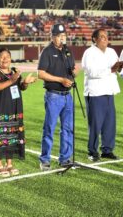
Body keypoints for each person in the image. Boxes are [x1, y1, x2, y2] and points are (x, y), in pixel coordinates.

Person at [0, 47, 36, 177]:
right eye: (1, 56)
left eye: (7, 56)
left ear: (11, 59)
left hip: (13, 109)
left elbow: (20, 87)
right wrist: (12, 80)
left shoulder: (14, 72)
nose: (4, 59)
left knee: (11, 136)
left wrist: (25, 83)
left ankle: (9, 164)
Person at [38, 23, 78, 170]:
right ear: (53, 37)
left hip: (68, 96)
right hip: (53, 96)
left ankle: (65, 158)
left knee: (68, 128)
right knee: (49, 128)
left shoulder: (68, 51)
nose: (62, 38)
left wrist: (73, 74)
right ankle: (45, 159)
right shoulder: (47, 52)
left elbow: (73, 69)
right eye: (59, 36)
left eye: (64, 36)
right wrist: (61, 80)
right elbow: (41, 74)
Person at [81, 28, 121, 162]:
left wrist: (120, 68)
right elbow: (92, 72)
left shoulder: (111, 52)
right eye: (102, 37)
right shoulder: (89, 53)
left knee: (110, 123)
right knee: (95, 124)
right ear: (95, 39)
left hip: (109, 91)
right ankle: (92, 151)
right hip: (95, 93)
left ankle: (107, 150)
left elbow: (117, 70)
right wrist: (111, 69)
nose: (106, 39)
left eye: (106, 36)